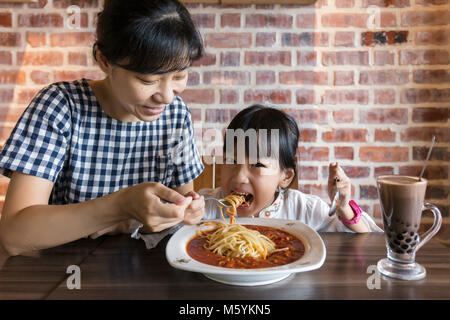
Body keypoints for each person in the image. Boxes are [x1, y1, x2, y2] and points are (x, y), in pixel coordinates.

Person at [0, 0, 206, 256]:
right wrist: (120, 206)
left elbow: (181, 209)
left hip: (146, 273)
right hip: (60, 275)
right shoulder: (61, 106)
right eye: (147, 79)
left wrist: (188, 210)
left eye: (178, 76)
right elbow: (14, 235)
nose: (165, 96)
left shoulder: (176, 115)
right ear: (104, 60)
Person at [200, 104, 382, 233]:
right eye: (231, 160)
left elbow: (367, 238)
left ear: (285, 176)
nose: (239, 176)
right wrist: (183, 214)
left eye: (257, 164)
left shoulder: (304, 210)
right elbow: (175, 231)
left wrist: (343, 208)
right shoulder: (207, 206)